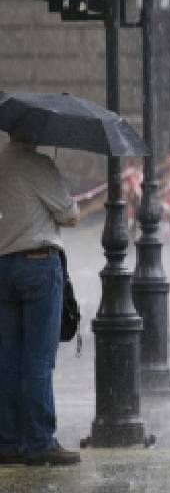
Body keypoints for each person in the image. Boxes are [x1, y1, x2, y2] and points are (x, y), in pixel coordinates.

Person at [0, 132, 81, 466]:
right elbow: (71, 215)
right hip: (37, 264)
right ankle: (39, 442)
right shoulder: (38, 164)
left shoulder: (2, 163)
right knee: (38, 359)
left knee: (8, 358)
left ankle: (7, 441)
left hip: (4, 266)